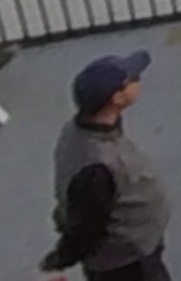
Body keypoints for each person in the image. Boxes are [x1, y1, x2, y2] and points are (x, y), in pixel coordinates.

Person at [42, 52, 172, 281]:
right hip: (127, 263)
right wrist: (62, 257)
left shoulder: (76, 132)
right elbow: (87, 227)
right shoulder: (99, 166)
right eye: (131, 80)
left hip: (137, 249)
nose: (137, 80)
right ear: (117, 98)